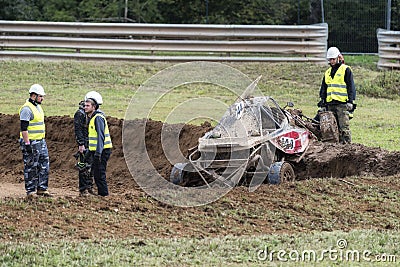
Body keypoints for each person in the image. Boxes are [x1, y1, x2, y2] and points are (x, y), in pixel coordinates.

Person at [318, 47, 356, 144]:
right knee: (331, 129)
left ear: (338, 58)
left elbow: (351, 87)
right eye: (330, 59)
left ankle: (347, 148)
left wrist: (351, 101)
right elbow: (324, 89)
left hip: (342, 105)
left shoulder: (346, 70)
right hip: (330, 105)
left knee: (344, 128)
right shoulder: (327, 73)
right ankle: (334, 149)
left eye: (333, 59)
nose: (332, 61)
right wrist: (322, 103)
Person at [19, 84, 52, 198]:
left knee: (44, 164)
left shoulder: (37, 106)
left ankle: (42, 188)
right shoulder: (26, 109)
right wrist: (27, 143)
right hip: (31, 142)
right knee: (31, 166)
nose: (42, 98)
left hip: (40, 141)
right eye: (40, 96)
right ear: (34, 95)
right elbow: (24, 128)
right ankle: (31, 191)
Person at [84, 91, 112, 197]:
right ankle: (102, 194)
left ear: (94, 107)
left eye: (87, 105)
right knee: (97, 174)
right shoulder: (93, 118)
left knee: (100, 174)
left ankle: (104, 195)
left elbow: (101, 137)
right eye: (84, 105)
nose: (85, 107)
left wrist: (98, 153)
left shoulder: (98, 118)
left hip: (102, 151)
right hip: (97, 150)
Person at [74, 99, 95, 196]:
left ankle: (89, 187)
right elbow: (78, 130)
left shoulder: (87, 114)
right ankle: (83, 189)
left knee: (90, 167)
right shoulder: (80, 114)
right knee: (83, 166)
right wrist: (81, 144)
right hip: (84, 144)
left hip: (89, 143)